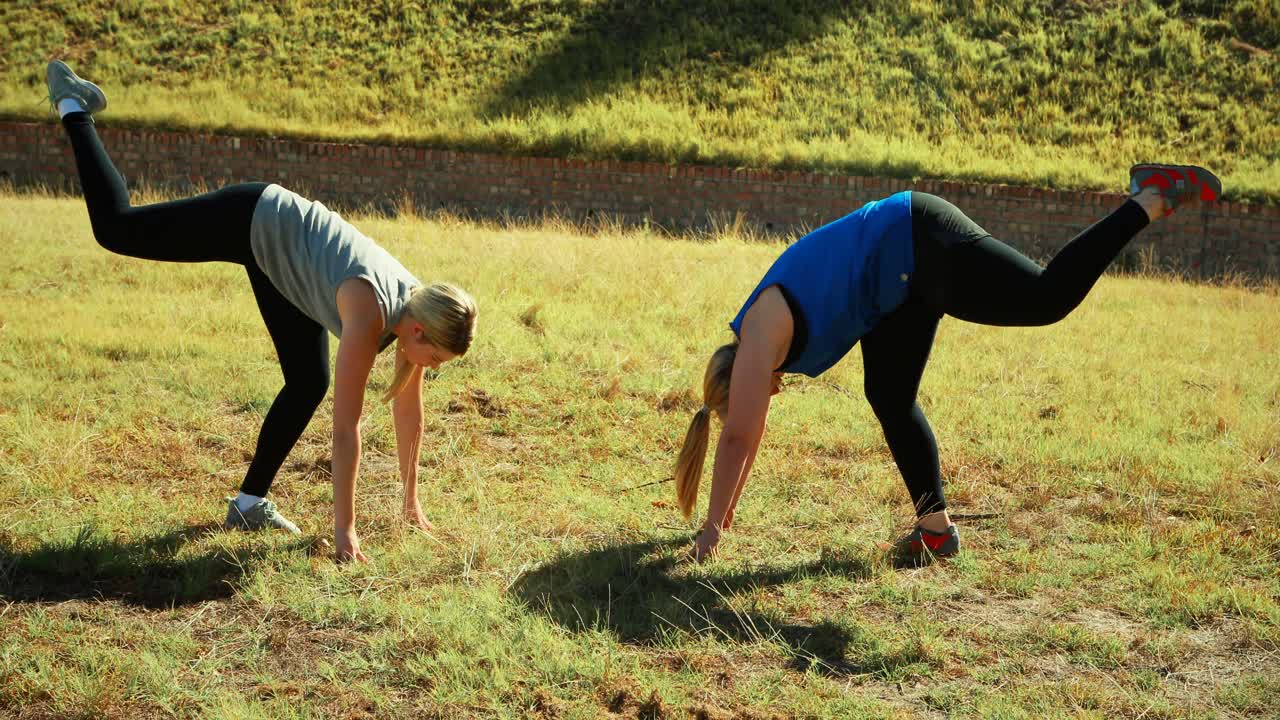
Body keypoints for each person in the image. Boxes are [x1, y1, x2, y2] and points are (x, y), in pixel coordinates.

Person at [674, 161, 1221, 562]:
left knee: (1046, 297)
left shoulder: (757, 337)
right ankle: (935, 530)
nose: (769, 397)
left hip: (915, 239)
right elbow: (748, 437)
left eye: (746, 399)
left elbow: (740, 439)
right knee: (888, 396)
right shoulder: (762, 345)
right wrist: (718, 522)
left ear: (734, 379)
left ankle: (1150, 197)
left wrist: (711, 538)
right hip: (893, 292)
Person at [45, 60, 478, 563]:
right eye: (438, 360)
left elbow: (408, 411)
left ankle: (249, 504)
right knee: (116, 229)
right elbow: (345, 429)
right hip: (253, 219)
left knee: (305, 381)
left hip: (286, 266)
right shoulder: (370, 311)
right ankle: (73, 105)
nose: (432, 369)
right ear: (421, 332)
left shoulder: (415, 314)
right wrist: (346, 532)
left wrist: (410, 501)